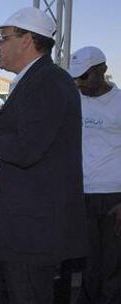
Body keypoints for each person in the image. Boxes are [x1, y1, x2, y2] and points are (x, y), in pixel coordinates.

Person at [0, 7, 87, 303]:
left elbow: (25, 149)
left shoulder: (50, 82)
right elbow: (18, 135)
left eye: (3, 38)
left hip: (32, 232)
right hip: (17, 226)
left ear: (27, 40)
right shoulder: (33, 81)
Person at [68, 46, 121, 304]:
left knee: (113, 268)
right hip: (82, 195)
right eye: (75, 77)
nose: (79, 83)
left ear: (103, 70)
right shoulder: (75, 99)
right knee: (88, 266)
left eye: (84, 76)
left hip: (114, 197)